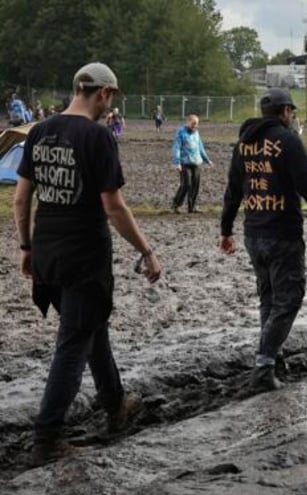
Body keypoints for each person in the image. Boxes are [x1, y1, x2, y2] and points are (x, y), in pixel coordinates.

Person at [13, 62, 162, 465]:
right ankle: (46, 437)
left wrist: (27, 247)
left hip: (47, 252)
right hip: (84, 257)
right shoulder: (97, 137)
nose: (109, 107)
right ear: (104, 94)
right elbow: (113, 207)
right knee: (74, 341)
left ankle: (116, 405)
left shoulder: (39, 131)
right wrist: (146, 250)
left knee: (92, 325)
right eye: (111, 99)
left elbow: (21, 198)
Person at [219, 88, 307, 391]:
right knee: (290, 299)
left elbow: (233, 190)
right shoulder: (287, 140)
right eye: (292, 112)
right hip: (282, 232)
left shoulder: (243, 144)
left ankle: (274, 359)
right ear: (285, 112)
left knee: (269, 299)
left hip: (253, 233)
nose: (293, 117)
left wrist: (226, 229)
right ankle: (263, 366)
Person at [170, 114, 212, 213]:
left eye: (196, 124)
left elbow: (200, 147)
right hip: (185, 163)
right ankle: (176, 205)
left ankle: (191, 207)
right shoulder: (181, 132)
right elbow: (176, 148)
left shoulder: (196, 133)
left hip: (196, 162)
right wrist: (177, 162)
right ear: (188, 122)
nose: (195, 125)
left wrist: (207, 160)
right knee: (186, 184)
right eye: (193, 123)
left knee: (195, 185)